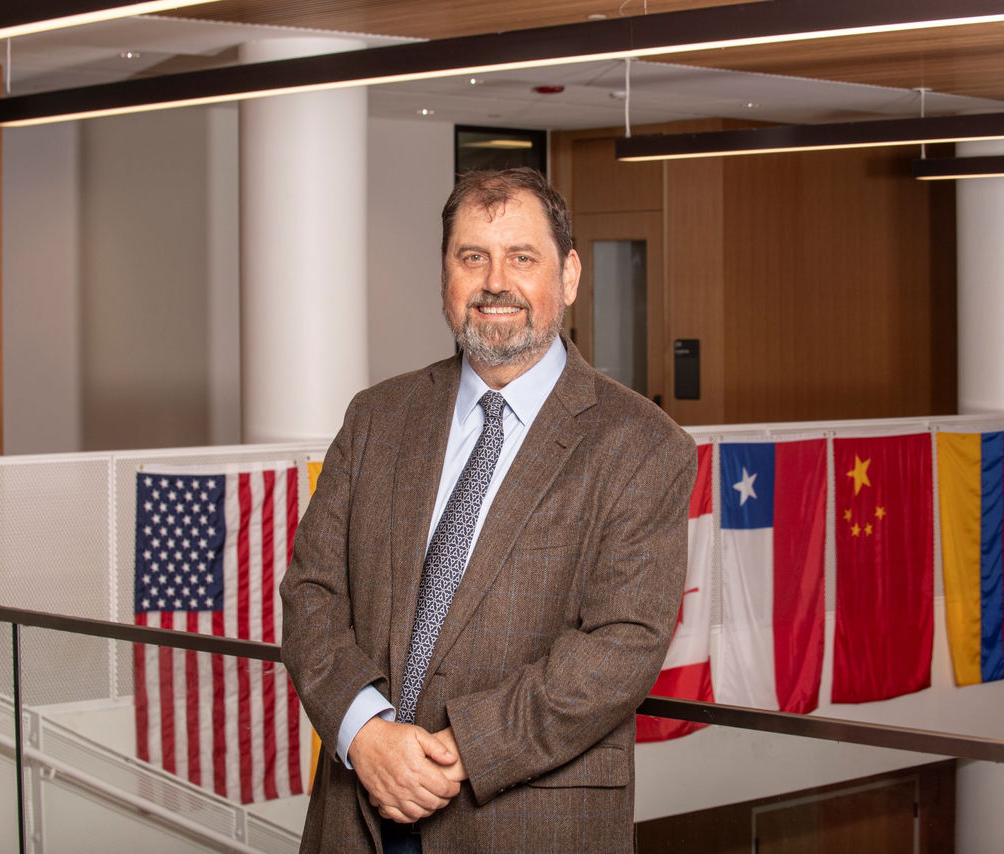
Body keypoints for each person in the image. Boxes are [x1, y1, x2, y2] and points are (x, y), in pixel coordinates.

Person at [280, 167, 696, 853]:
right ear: (445, 276)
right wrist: (365, 731)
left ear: (567, 276)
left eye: (521, 258)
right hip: (357, 814)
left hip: (524, 818)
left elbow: (620, 646)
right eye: (472, 257)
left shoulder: (643, 445)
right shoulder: (377, 417)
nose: (494, 281)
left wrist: (456, 755)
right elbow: (312, 593)